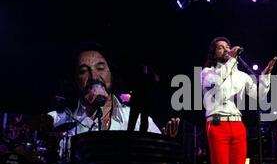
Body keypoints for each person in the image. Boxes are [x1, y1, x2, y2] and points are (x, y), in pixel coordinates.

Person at [201, 36, 277, 164]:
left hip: (237, 125)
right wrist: (233, 59)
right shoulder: (208, 72)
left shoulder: (241, 75)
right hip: (217, 125)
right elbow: (219, 87)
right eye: (220, 48)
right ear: (214, 52)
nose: (226, 50)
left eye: (227, 47)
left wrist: (265, 76)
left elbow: (259, 96)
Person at [48, 43, 179, 136]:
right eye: (83, 71)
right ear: (75, 80)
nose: (94, 77)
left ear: (111, 72)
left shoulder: (137, 119)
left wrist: (164, 143)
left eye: (100, 68)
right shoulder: (58, 120)